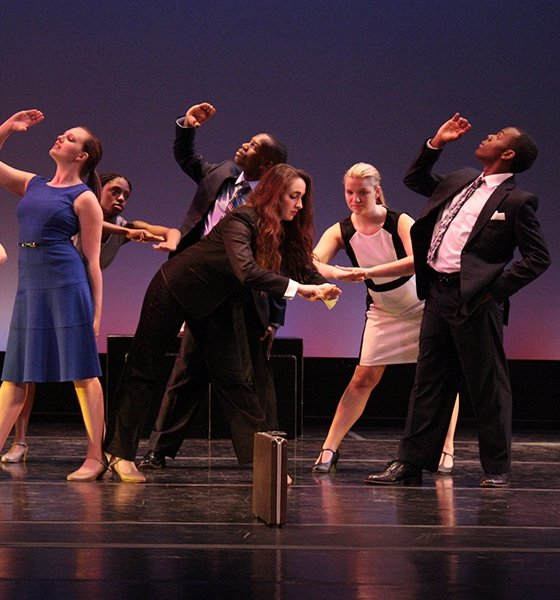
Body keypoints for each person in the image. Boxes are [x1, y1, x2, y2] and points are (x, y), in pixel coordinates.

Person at [103, 163, 341, 483]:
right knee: (144, 367)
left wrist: (322, 287)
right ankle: (119, 454)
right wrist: (301, 290)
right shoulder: (241, 218)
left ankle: (265, 463)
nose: (299, 205)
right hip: (176, 286)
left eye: (302, 198)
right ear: (274, 195)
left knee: (236, 381)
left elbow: (300, 264)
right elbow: (246, 271)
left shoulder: (282, 228)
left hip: (216, 301)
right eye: (293, 196)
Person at [365, 113, 550, 488]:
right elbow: (415, 179)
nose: (487, 135)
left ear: (509, 154)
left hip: (475, 302)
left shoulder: (516, 201)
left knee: (487, 386)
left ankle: (496, 469)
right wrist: (437, 143)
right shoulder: (461, 180)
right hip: (437, 295)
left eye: (497, 135)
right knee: (428, 382)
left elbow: (538, 257)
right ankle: (411, 463)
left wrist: (493, 290)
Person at [137, 102, 288, 470]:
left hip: (242, 292)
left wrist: (275, 317)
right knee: (188, 369)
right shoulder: (220, 174)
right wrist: (188, 125)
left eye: (253, 146)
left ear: (266, 166)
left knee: (246, 374)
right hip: (199, 285)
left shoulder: (271, 202)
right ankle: (160, 449)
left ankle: (263, 452)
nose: (243, 146)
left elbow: (278, 259)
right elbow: (185, 156)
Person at [0, 172, 181, 464]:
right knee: (25, 368)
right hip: (48, 290)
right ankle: (20, 441)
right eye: (114, 191)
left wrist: (171, 242)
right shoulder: (74, 211)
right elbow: (94, 223)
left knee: (82, 374)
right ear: (99, 190)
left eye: (126, 195)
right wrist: (124, 233)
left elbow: (170, 230)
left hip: (74, 297)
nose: (120, 198)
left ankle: (96, 452)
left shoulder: (123, 226)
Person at [310, 162, 459, 473]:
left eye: (362, 192)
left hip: (419, 305)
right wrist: (335, 272)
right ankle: (329, 448)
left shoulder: (398, 221)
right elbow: (313, 260)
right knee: (363, 378)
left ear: (376, 192)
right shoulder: (342, 230)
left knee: (439, 377)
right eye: (349, 192)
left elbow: (417, 261)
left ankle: (446, 446)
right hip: (383, 310)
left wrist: (370, 272)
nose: (355, 199)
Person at [0, 109, 106, 482]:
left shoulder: (84, 198)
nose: (61, 137)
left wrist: (95, 313)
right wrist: (8, 129)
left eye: (71, 138)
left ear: (82, 156)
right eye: (63, 133)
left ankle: (95, 457)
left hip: (66, 281)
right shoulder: (34, 184)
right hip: (31, 281)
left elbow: (92, 262)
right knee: (14, 373)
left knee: (82, 372)